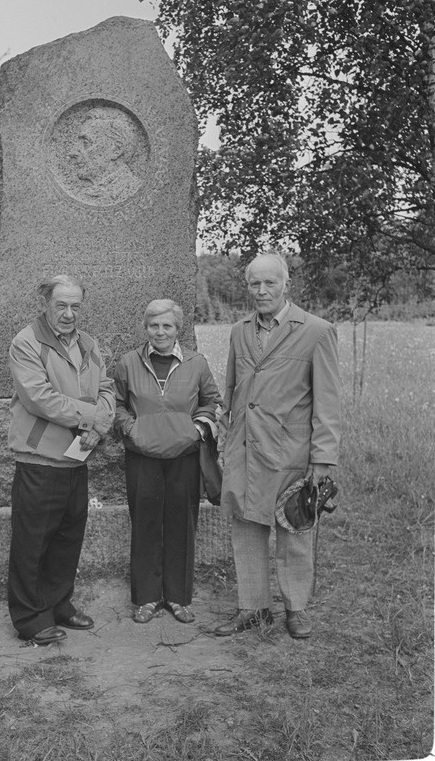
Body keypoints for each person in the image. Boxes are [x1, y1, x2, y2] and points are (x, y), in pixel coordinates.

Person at [215, 252, 341, 639]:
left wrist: (322, 459)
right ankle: (252, 607)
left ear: (286, 284)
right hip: (245, 450)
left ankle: (296, 609)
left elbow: (329, 401)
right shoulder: (239, 330)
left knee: (294, 529)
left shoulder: (317, 331)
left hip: (291, 452)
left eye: (270, 282)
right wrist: (224, 433)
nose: (262, 290)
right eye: (255, 283)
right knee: (247, 528)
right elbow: (233, 390)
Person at [7, 274, 115, 645]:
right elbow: (40, 398)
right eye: (61, 306)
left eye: (75, 306)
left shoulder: (89, 343)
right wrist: (91, 417)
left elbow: (107, 388)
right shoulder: (26, 342)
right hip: (40, 460)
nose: (69, 314)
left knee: (68, 539)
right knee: (32, 542)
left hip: (77, 459)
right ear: (46, 304)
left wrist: (100, 424)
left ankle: (58, 604)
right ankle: (29, 619)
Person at [113, 299, 222, 624]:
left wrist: (197, 429)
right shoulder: (128, 363)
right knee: (145, 522)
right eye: (154, 325)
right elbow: (116, 404)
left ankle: (178, 597)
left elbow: (212, 401)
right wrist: (131, 429)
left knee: (181, 523)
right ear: (145, 328)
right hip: (142, 457)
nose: (160, 332)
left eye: (167, 326)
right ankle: (146, 598)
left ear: (179, 329)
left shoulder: (196, 363)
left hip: (184, 457)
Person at [68, 106, 142, 204]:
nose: (72, 152)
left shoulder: (132, 188)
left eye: (86, 143)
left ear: (116, 150)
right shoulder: (85, 192)